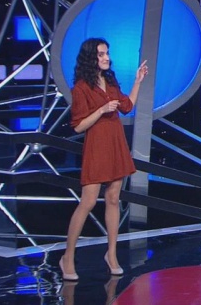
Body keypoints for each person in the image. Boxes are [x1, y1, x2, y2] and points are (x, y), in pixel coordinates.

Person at [59, 37, 148, 281]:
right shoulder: (81, 88)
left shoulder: (109, 81)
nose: (106, 57)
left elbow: (127, 106)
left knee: (113, 198)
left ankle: (112, 254)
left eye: (107, 53)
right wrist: (101, 110)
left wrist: (138, 81)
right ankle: (68, 257)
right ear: (91, 58)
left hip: (115, 143)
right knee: (88, 202)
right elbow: (78, 126)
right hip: (97, 146)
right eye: (101, 54)